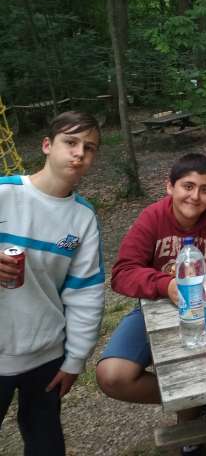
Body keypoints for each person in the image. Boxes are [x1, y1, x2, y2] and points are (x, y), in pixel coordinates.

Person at [96, 154, 206, 409]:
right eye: (187, 186)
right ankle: (195, 403)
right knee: (113, 376)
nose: (195, 196)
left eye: (205, 190)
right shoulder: (153, 217)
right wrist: (166, 285)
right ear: (170, 186)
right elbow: (123, 272)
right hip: (160, 306)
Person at [0, 111, 104, 456]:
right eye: (70, 142)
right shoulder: (5, 193)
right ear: (47, 145)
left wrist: (75, 359)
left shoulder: (82, 218)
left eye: (89, 148)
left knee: (45, 444)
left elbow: (85, 293)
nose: (79, 153)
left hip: (45, 355)